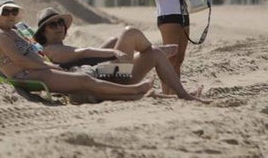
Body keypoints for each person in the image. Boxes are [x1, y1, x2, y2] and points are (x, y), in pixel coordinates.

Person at [0, 0, 154, 102]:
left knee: (83, 83)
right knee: (83, 81)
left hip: (38, 70)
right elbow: (19, 60)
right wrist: (49, 66)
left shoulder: (12, 32)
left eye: (13, 12)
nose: (11, 15)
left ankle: (134, 94)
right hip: (26, 75)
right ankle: (135, 89)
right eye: (6, 12)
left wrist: (48, 65)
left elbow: (33, 56)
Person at [33, 6, 204, 101]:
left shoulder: (63, 48)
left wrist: (111, 48)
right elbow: (83, 51)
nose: (59, 27)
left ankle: (183, 94)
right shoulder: (50, 49)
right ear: (43, 33)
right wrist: (114, 52)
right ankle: (153, 48)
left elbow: (83, 57)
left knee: (154, 53)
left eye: (60, 23)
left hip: (108, 75)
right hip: (102, 78)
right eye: (52, 25)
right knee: (130, 33)